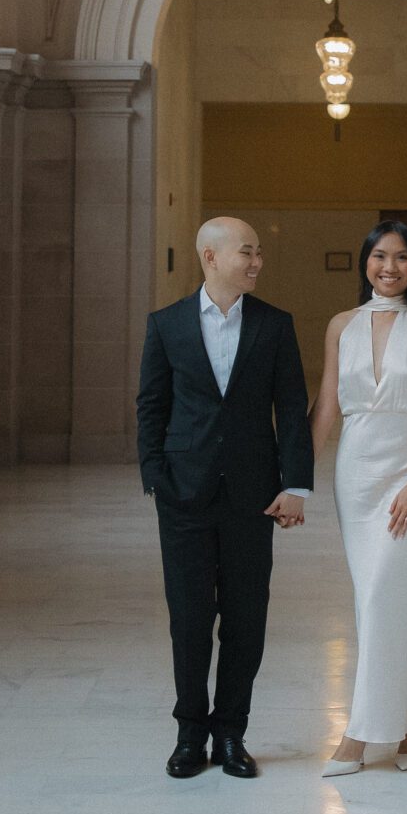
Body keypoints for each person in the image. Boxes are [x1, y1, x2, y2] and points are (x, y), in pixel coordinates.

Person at [136, 217, 313, 780]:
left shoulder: (275, 325)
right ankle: (190, 734)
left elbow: (290, 408)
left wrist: (296, 484)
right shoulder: (166, 325)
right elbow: (151, 406)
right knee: (189, 620)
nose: (257, 261)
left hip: (251, 498)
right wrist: (154, 476)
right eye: (247, 252)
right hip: (182, 496)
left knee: (245, 618)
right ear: (210, 258)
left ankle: (231, 733)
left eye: (259, 251)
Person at [314, 220, 407, 776]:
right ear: (365, 262)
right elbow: (327, 404)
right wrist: (294, 478)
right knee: (383, 602)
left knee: (380, 596)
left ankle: (358, 734)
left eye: (400, 257)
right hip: (356, 473)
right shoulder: (341, 326)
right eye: (379, 256)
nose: (389, 267)